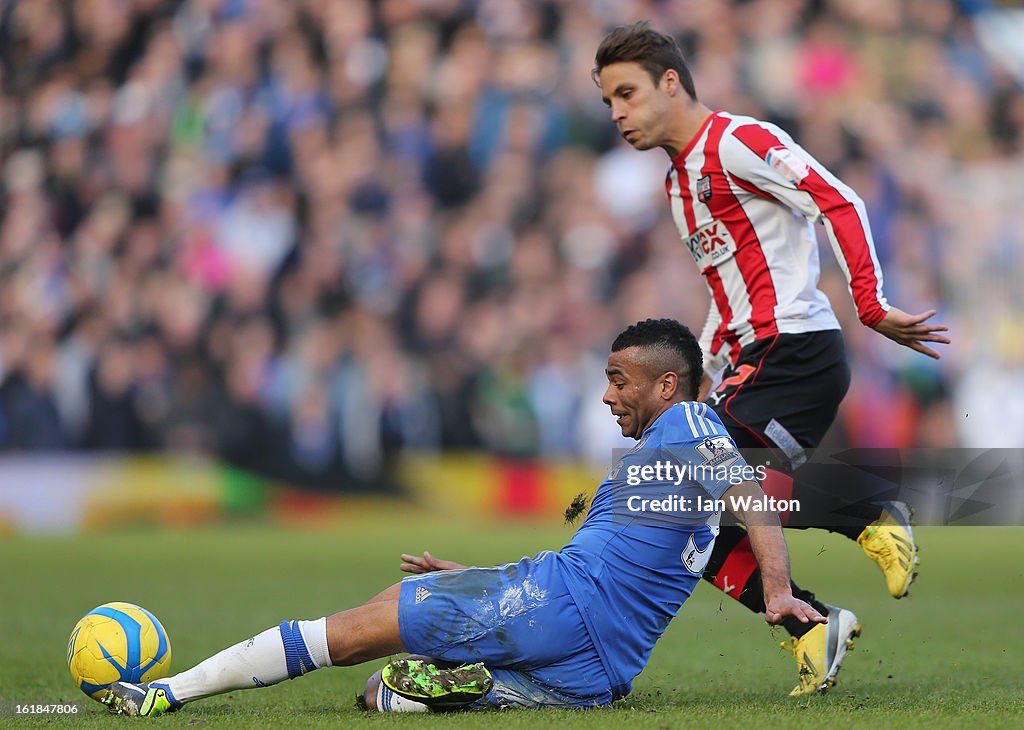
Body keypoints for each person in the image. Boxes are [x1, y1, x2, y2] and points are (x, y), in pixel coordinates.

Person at [103, 319, 824, 716]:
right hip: (600, 673)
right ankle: (467, 683)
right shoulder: (660, 468)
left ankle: (163, 695)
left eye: (620, 381)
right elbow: (614, 564)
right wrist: (476, 574)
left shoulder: (690, 422)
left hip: (558, 611)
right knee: (379, 690)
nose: (608, 398)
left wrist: (779, 586)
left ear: (668, 385)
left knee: (354, 633)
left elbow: (751, 495)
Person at [592, 22, 951, 695]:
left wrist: (870, 304)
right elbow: (725, 300)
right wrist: (695, 386)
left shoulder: (739, 141)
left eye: (626, 94)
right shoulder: (678, 186)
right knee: (683, 508)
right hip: (757, 355)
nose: (616, 114)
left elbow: (838, 200)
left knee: (709, 479)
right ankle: (811, 625)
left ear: (670, 82)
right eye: (609, 101)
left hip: (796, 349)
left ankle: (870, 514)